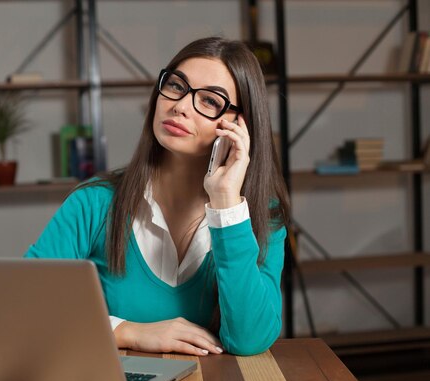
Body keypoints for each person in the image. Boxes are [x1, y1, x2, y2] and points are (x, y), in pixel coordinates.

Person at [25, 36, 290, 356]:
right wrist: (127, 332)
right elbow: (26, 304)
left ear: (237, 125)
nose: (179, 106)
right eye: (177, 86)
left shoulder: (261, 216)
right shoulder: (93, 203)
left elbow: (250, 339)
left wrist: (225, 203)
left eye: (209, 101)